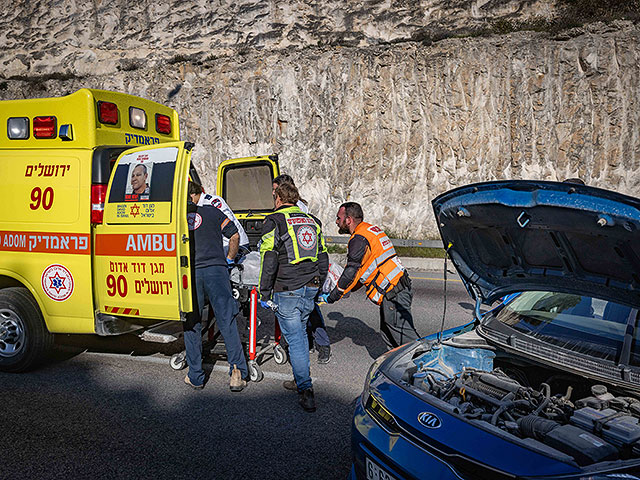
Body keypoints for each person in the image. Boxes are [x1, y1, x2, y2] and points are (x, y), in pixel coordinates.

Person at [258, 182, 329, 412]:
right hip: (310, 286)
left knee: (296, 339)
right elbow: (323, 256)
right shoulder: (313, 221)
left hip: (287, 288)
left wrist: (264, 289)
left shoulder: (275, 220)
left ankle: (306, 390)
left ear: (278, 198)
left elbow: (269, 257)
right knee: (296, 334)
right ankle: (299, 378)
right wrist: (318, 282)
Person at [318, 202, 420, 349]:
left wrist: (334, 294)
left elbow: (351, 271)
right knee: (388, 335)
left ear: (348, 220)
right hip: (397, 288)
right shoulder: (370, 230)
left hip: (394, 292)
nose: (336, 221)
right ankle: (399, 369)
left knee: (406, 340)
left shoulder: (359, 239)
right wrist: (348, 289)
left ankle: (427, 366)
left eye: (338, 218)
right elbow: (363, 270)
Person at [183, 181, 249, 391]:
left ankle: (196, 376)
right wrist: (229, 259)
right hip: (217, 271)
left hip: (191, 273)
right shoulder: (212, 211)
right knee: (226, 320)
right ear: (197, 194)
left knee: (191, 322)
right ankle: (237, 373)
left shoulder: (178, 217)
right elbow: (235, 235)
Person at [272, 174, 332, 364]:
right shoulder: (292, 207)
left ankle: (320, 346)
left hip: (301, 270)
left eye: (275, 191)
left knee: (309, 311)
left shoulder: (298, 208)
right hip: (305, 271)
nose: (273, 194)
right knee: (304, 312)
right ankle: (299, 346)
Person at [191, 183, 250, 257]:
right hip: (224, 245)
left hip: (235, 244)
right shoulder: (199, 205)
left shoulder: (212, 201)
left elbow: (228, 222)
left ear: (193, 194)